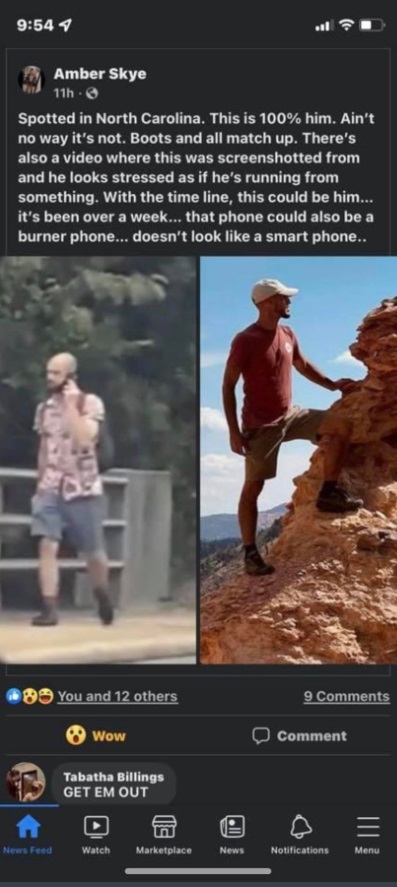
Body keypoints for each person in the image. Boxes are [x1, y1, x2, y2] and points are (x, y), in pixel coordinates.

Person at [222, 278, 363, 577]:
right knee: (254, 487)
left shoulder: (287, 333)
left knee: (341, 427)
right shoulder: (245, 340)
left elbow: (302, 364)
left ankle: (328, 493)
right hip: (260, 425)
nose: (289, 302)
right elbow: (228, 385)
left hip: (291, 415)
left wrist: (333, 386)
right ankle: (250, 553)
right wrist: (233, 431)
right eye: (284, 298)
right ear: (267, 302)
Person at [30, 352, 114, 625]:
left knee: (93, 552)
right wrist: (40, 483)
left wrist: (69, 406)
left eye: (55, 373)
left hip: (83, 489)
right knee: (47, 544)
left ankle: (102, 594)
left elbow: (85, 440)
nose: (49, 378)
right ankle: (49, 608)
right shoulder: (44, 409)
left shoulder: (89, 403)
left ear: (70, 376)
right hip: (50, 488)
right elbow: (44, 448)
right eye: (48, 372)